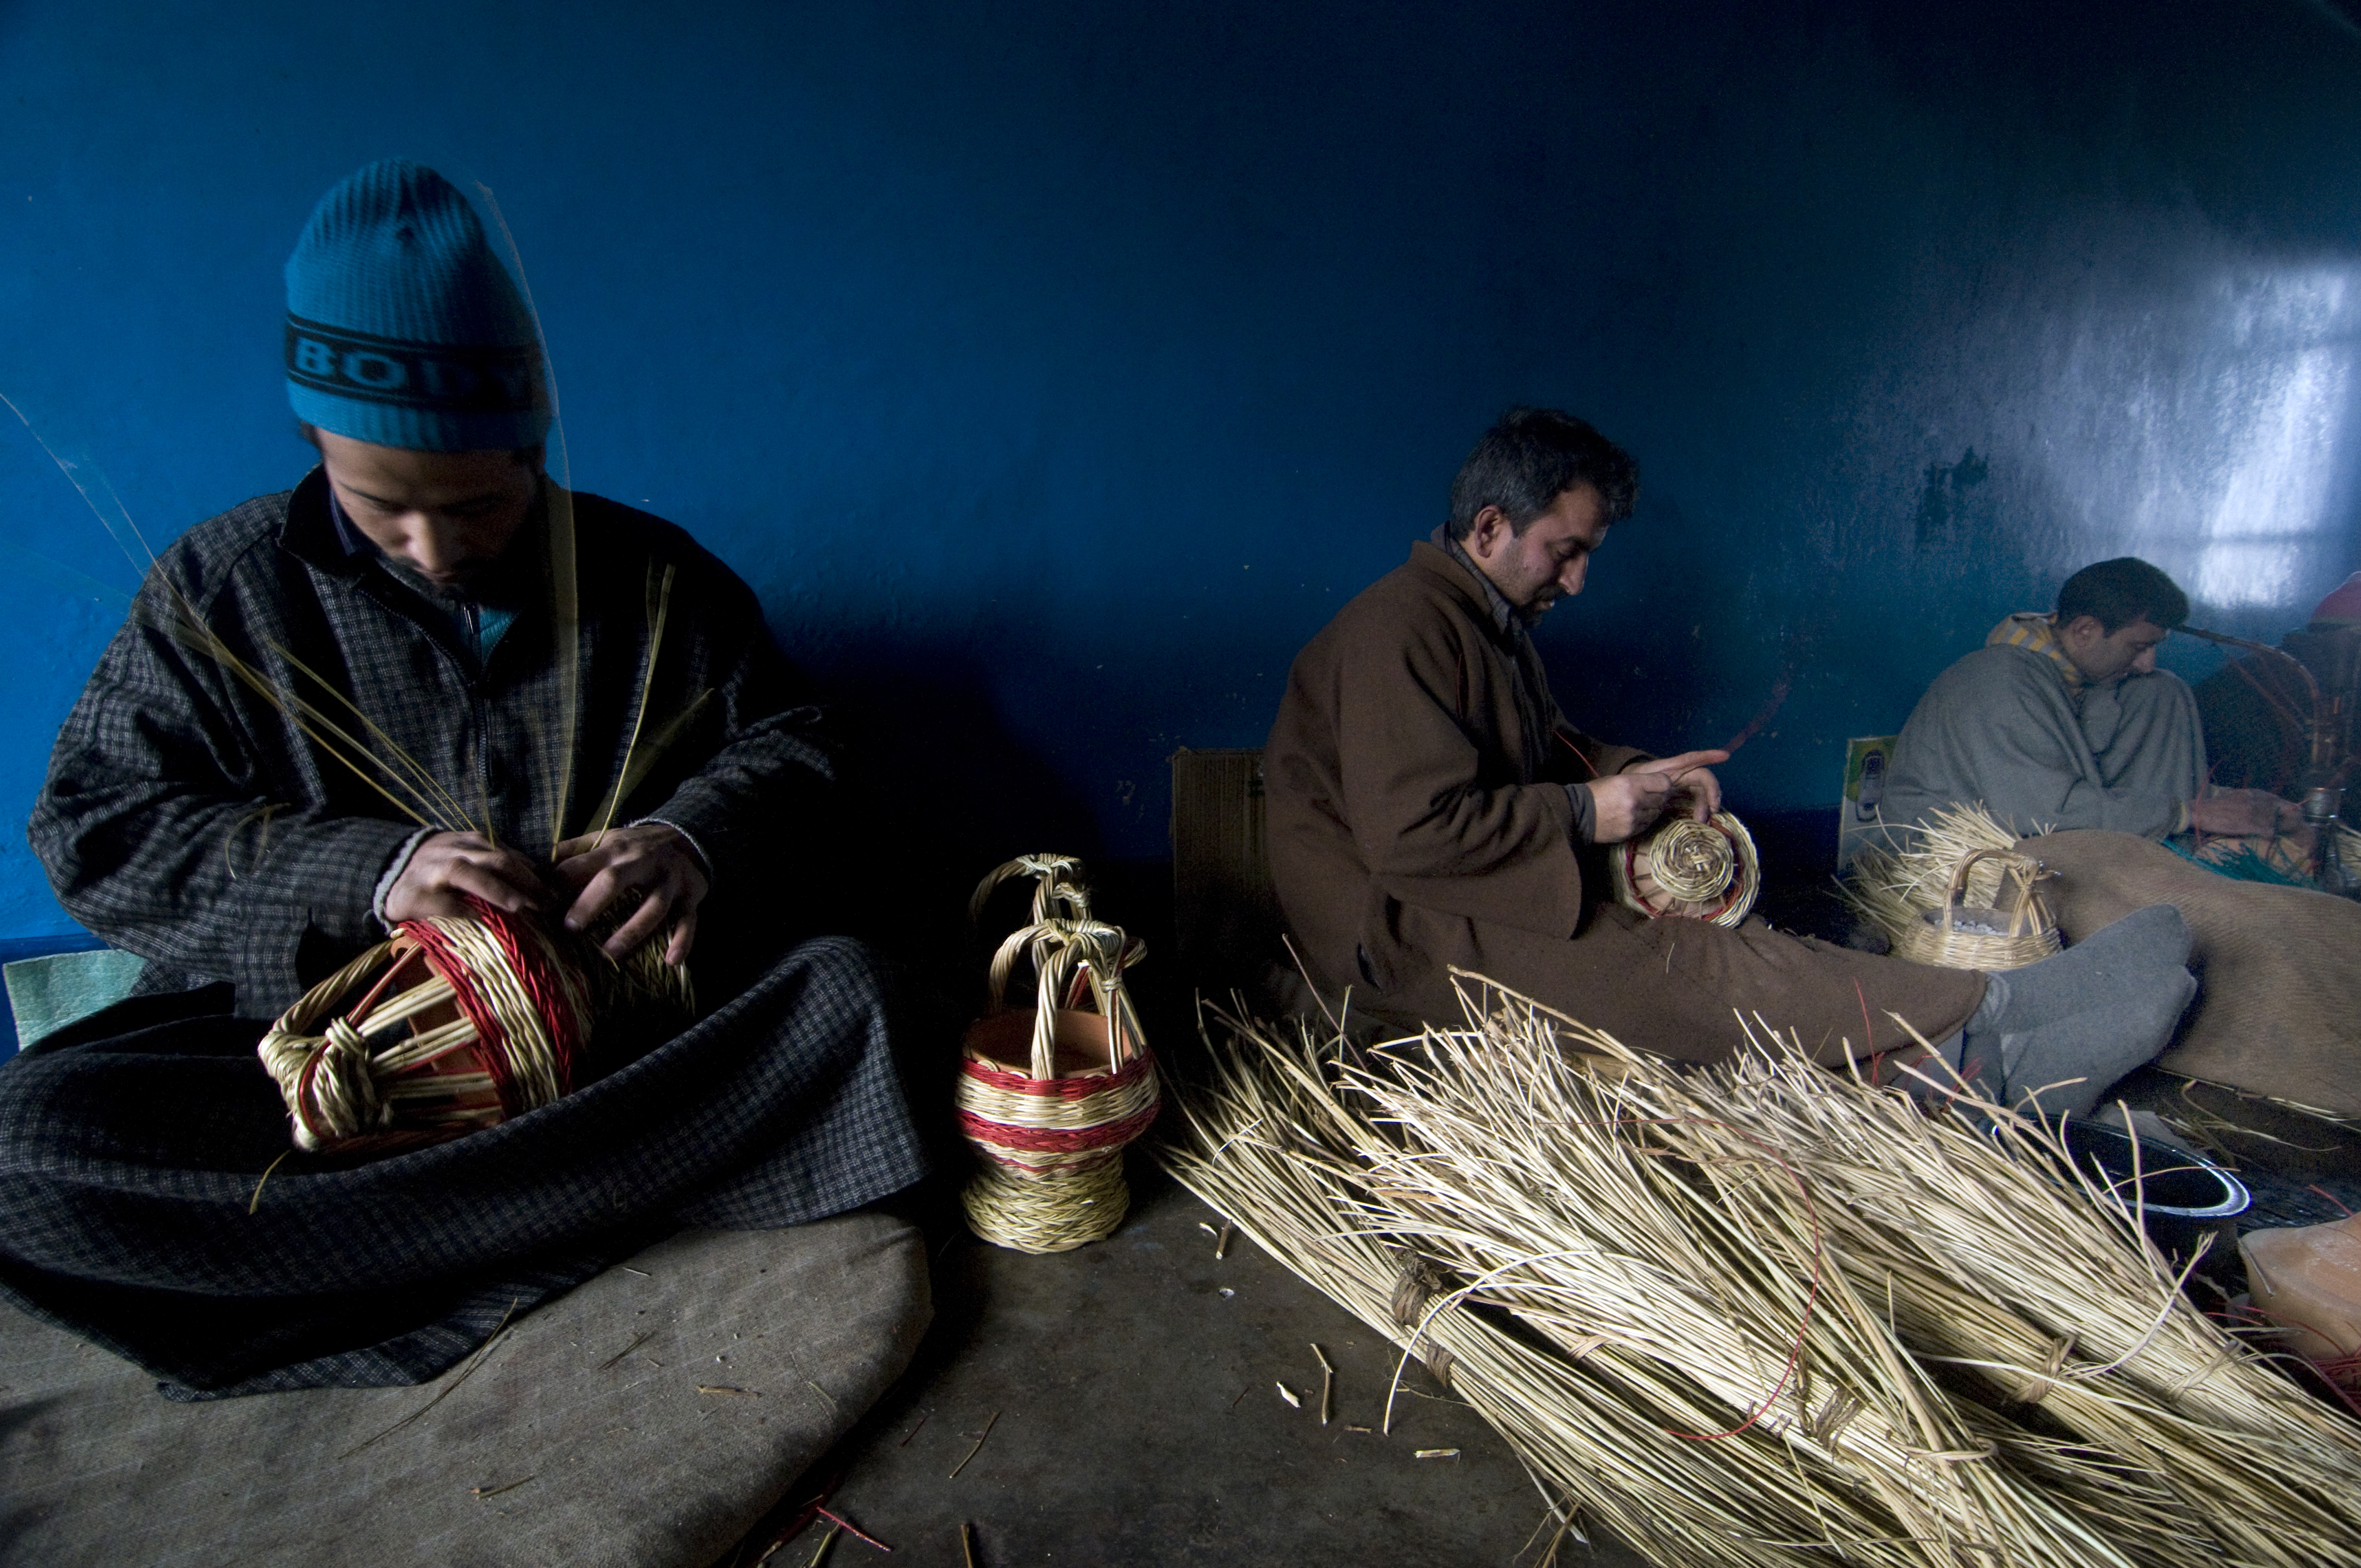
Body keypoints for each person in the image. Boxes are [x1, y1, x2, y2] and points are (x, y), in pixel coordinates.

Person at [1, 160, 925, 1397]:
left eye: (481, 505)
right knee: (24, 1146)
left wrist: (690, 840)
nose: (438, 550)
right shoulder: (219, 591)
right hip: (325, 1071)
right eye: (384, 508)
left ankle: (392, 1249)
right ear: (314, 438)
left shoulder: (653, 582)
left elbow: (804, 750)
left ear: (531, 442)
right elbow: (91, 825)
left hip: (611, 1057)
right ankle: (555, 1212)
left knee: (860, 1002)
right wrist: (369, 874)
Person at [1264, 407, 2197, 1105]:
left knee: (1730, 951)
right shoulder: (1400, 630)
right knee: (1681, 965)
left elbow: (1549, 744)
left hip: (1455, 890)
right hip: (1394, 930)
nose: (1578, 580)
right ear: (1487, 529)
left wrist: (1643, 773)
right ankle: (1990, 1026)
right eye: (1564, 551)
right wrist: (1593, 812)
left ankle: (1981, 1033)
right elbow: (1410, 836)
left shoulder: (1481, 622)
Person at [1879, 557, 2299, 842]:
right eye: (2138, 648)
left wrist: (2236, 806)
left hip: (2046, 825)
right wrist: (2191, 814)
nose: (2146, 662)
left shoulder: (2079, 678)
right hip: (1953, 860)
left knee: (2162, 690)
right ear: (2084, 631)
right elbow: (2044, 814)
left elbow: (2114, 779)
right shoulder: (1997, 681)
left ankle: (2174, 861)